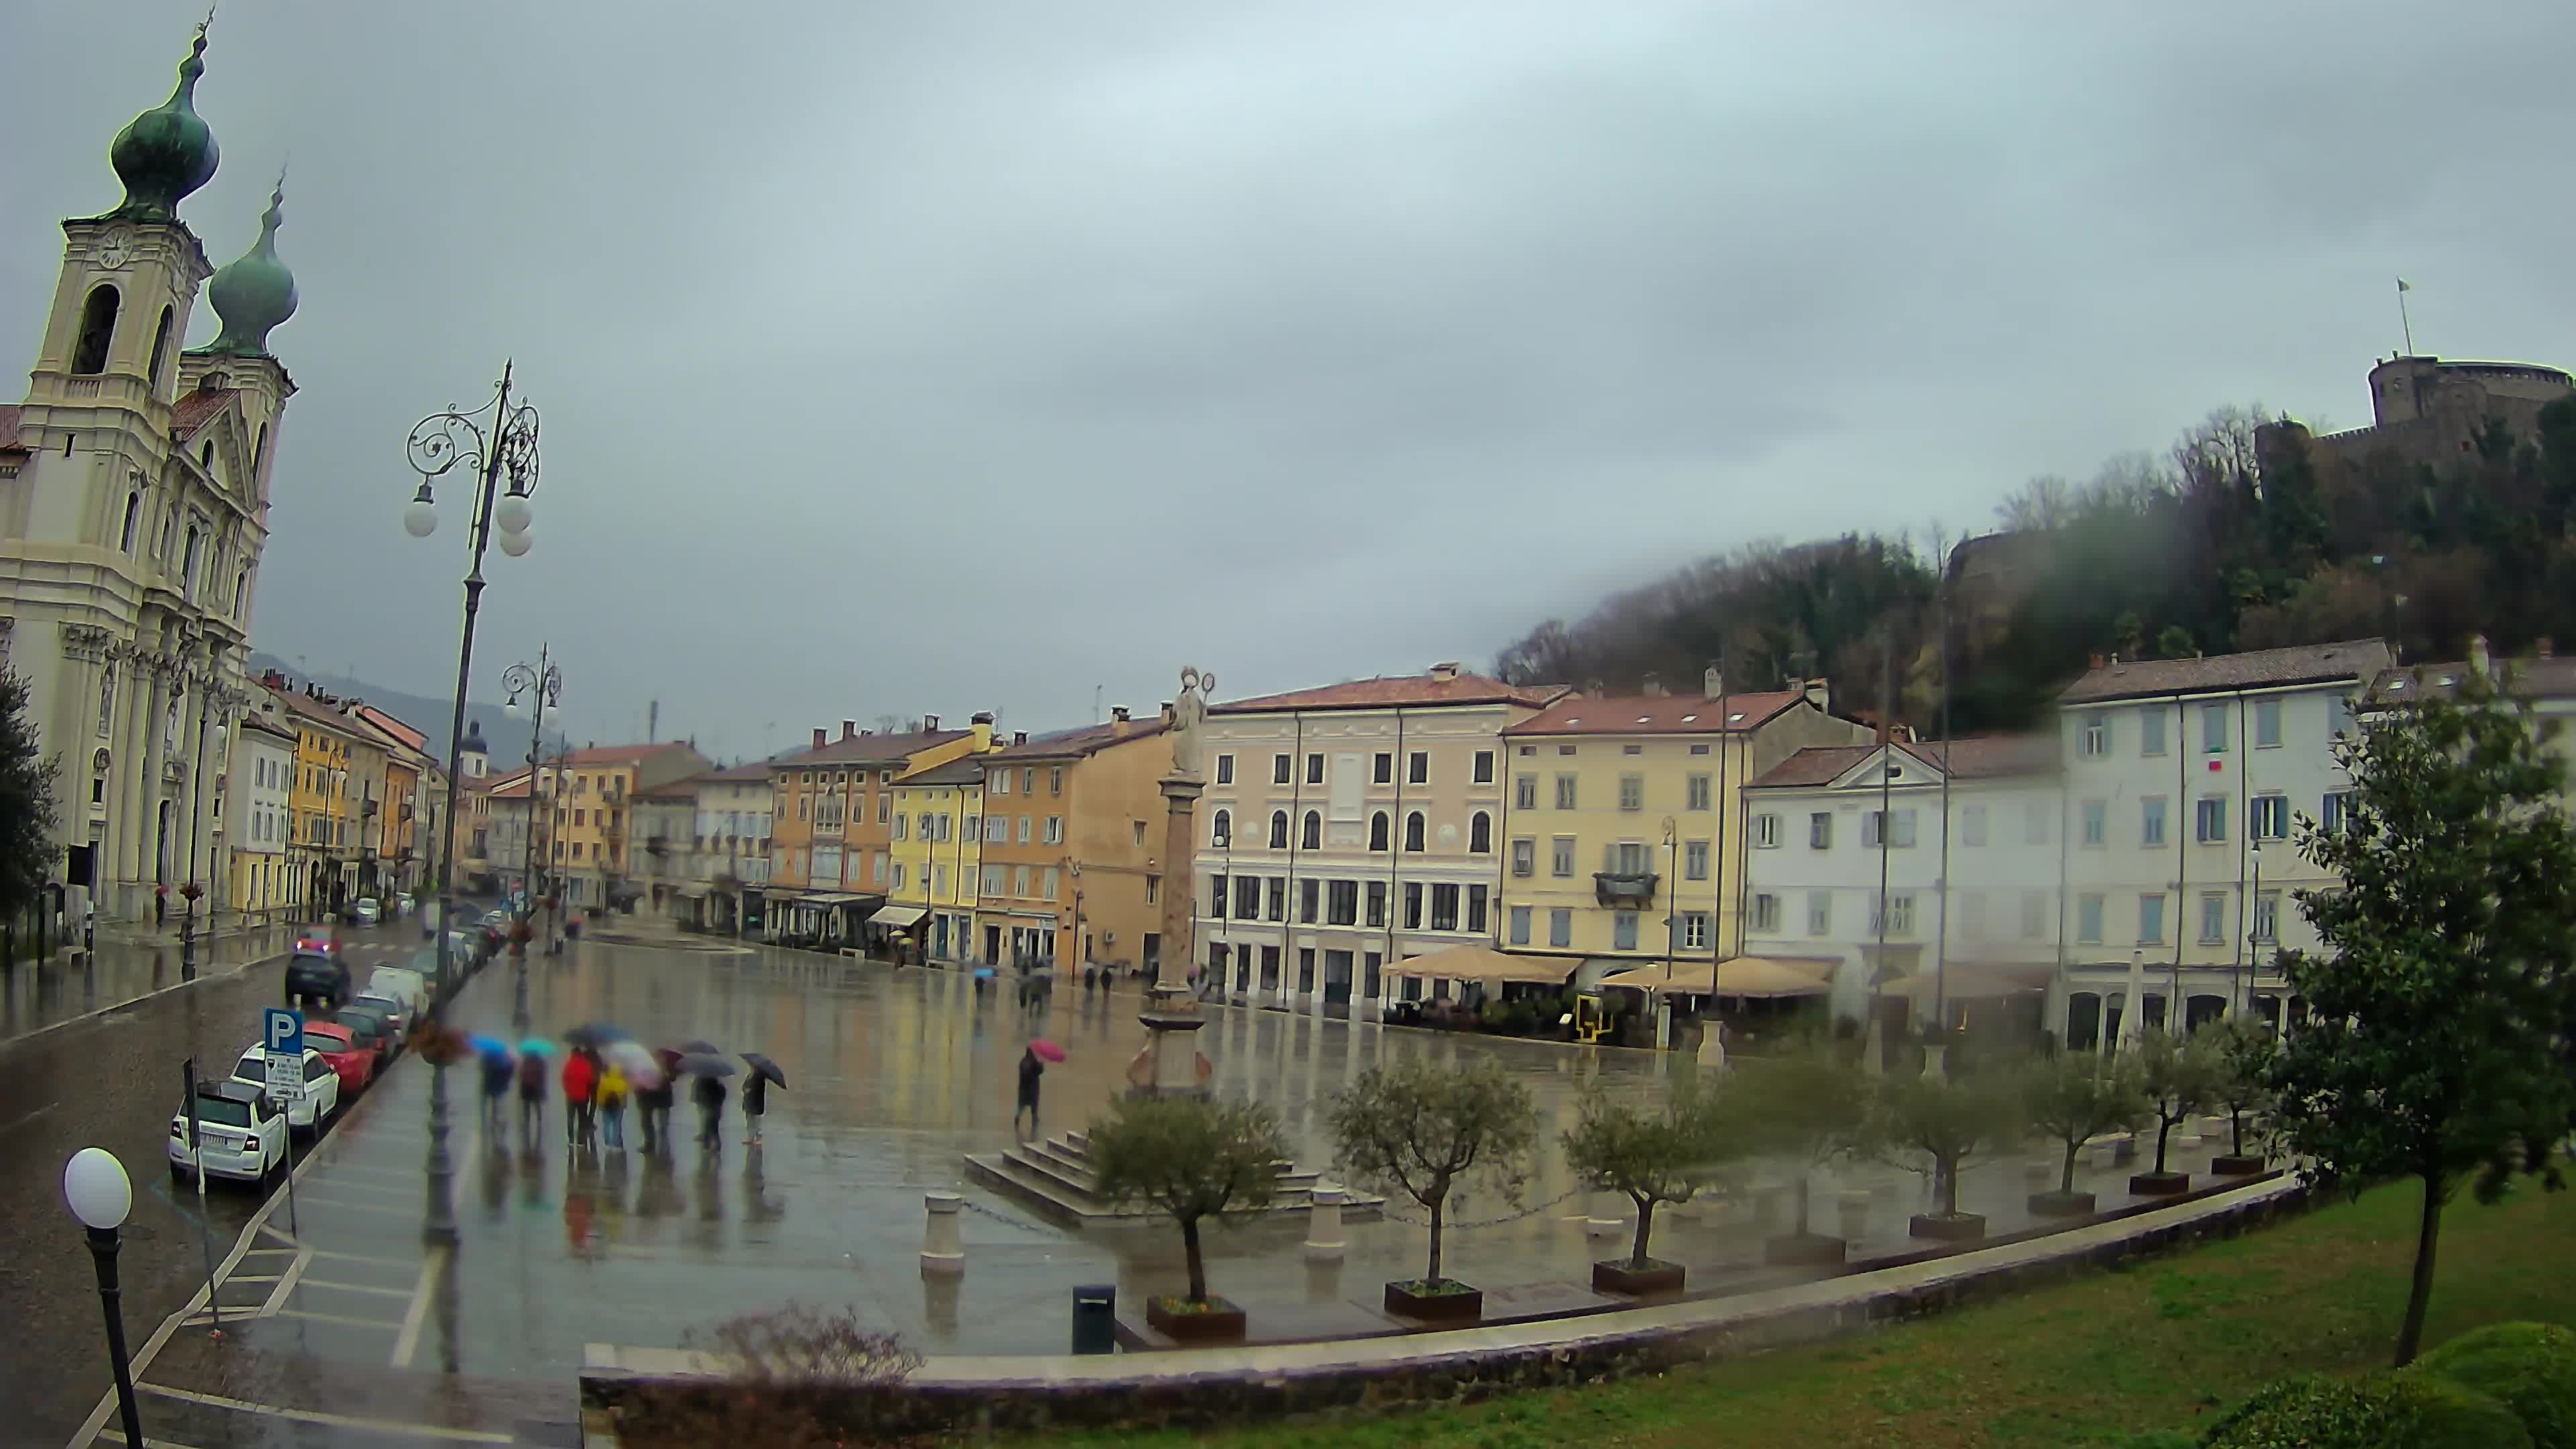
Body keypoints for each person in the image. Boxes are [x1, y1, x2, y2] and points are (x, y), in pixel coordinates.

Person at [561, 1046, 599, 1152]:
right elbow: (590, 1080)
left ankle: (570, 1139)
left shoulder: (569, 1064)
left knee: (570, 1118)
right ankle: (581, 1141)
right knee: (582, 1118)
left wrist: (568, 1090)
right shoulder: (586, 1065)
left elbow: (564, 1079)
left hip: (571, 1096)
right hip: (583, 1096)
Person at [598, 1059, 630, 1151]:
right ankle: (617, 1144)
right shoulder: (623, 1082)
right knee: (617, 1125)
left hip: (606, 1105)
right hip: (619, 1106)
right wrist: (624, 1105)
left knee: (607, 1125)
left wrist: (600, 1105)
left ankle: (608, 1144)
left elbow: (600, 1094)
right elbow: (625, 1095)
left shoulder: (604, 1081)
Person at [516, 1049, 547, 1143]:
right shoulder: (541, 1062)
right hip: (536, 1088)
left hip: (526, 1087)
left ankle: (527, 1122)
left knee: (527, 1106)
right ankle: (539, 1121)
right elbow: (543, 1076)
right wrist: (543, 1090)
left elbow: (520, 1075)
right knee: (536, 1105)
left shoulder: (525, 1062)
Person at [694, 1071, 729, 1151]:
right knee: (714, 1130)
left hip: (709, 1108)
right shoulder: (719, 1086)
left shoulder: (705, 1085)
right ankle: (715, 1148)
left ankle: (707, 1148)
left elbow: (701, 1095)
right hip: (715, 1109)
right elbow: (722, 1096)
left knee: (708, 1129)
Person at [480, 1051, 515, 1133]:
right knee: (499, 1105)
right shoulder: (506, 1064)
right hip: (501, 1088)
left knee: (491, 1105)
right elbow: (510, 1075)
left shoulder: (489, 1061)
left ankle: (491, 1122)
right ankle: (500, 1120)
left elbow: (483, 1070)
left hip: (489, 1087)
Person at [1014, 1045, 1044, 1137]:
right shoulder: (1034, 1062)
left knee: (1021, 1107)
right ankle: (1034, 1127)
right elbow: (1039, 1071)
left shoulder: (1023, 1062)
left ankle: (1017, 1118)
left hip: (1023, 1090)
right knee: (1034, 1109)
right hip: (1032, 1091)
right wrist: (1042, 1064)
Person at [743, 1069, 767, 1146]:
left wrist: (750, 1090)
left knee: (757, 1122)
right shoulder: (749, 1076)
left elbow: (758, 1089)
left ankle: (759, 1139)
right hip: (748, 1102)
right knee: (749, 1121)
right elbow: (744, 1086)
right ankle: (751, 1138)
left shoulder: (761, 1078)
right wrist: (745, 1089)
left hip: (757, 1103)